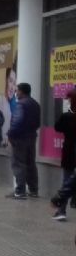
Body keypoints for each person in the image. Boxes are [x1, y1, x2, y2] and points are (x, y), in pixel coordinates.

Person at [6, 82, 41, 199]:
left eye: (17, 90)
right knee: (31, 163)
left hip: (19, 138)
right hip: (31, 137)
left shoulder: (21, 104)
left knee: (18, 163)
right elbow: (37, 123)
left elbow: (17, 121)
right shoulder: (35, 104)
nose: (16, 93)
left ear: (22, 91)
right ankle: (33, 190)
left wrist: (10, 134)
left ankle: (20, 191)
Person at [52, 89, 76, 221]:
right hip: (70, 152)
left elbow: (57, 127)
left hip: (69, 152)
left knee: (67, 181)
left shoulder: (67, 116)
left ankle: (61, 211)